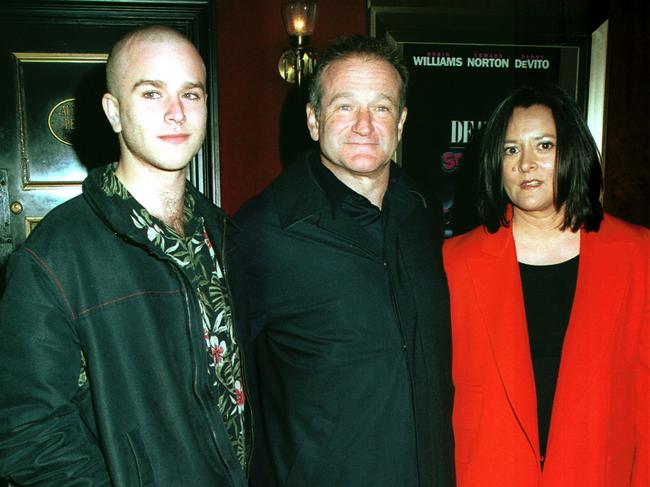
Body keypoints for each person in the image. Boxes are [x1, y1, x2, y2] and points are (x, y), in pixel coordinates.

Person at [0, 25, 250, 485]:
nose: (176, 113)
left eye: (191, 95)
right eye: (152, 93)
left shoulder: (229, 234)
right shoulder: (55, 256)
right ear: (114, 111)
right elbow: (25, 430)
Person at [235, 35, 455, 487]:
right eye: (344, 106)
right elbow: (228, 391)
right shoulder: (262, 232)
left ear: (402, 121)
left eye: (381, 107)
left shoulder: (422, 212)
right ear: (314, 120)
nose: (363, 125)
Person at [443, 83, 648, 486]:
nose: (525, 164)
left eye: (544, 146)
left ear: (572, 151)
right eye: (511, 149)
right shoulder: (455, 262)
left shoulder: (635, 254)